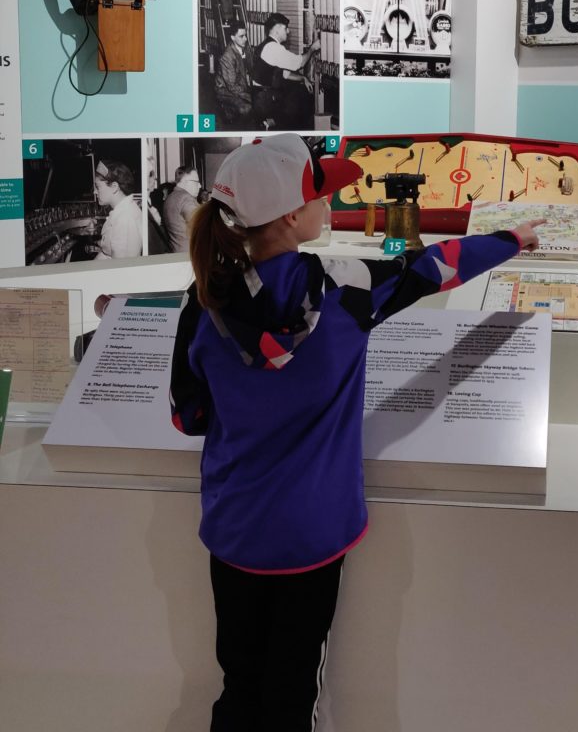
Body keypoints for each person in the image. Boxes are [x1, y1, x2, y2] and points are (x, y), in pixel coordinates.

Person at [168, 134, 542, 731]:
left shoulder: (203, 301)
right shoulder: (345, 290)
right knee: (292, 696)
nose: (331, 204)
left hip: (235, 529)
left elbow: (187, 417)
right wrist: (509, 241)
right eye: (322, 193)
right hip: (313, 536)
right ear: (291, 216)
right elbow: (431, 270)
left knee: (238, 687)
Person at [251, 12, 319, 130]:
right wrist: (312, 48)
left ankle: (273, 123)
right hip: (264, 99)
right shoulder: (273, 48)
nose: (288, 32)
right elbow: (299, 63)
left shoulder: (267, 45)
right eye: (285, 28)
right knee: (302, 101)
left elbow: (284, 74)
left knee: (297, 91)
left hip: (261, 95)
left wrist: (303, 78)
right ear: (277, 29)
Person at [93, 159, 143, 259]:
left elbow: (123, 267)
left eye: (97, 187)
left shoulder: (125, 218)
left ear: (114, 187)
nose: (94, 192)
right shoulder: (121, 211)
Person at [214, 22, 255, 129]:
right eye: (241, 36)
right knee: (248, 108)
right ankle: (227, 109)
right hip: (225, 91)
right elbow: (232, 86)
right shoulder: (227, 56)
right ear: (233, 37)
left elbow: (252, 70)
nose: (245, 39)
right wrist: (251, 97)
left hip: (242, 86)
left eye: (246, 35)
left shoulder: (246, 49)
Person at [162, 166, 202, 253]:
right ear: (185, 182)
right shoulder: (186, 198)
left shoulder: (170, 197)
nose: (200, 186)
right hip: (190, 254)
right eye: (197, 182)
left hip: (176, 251)